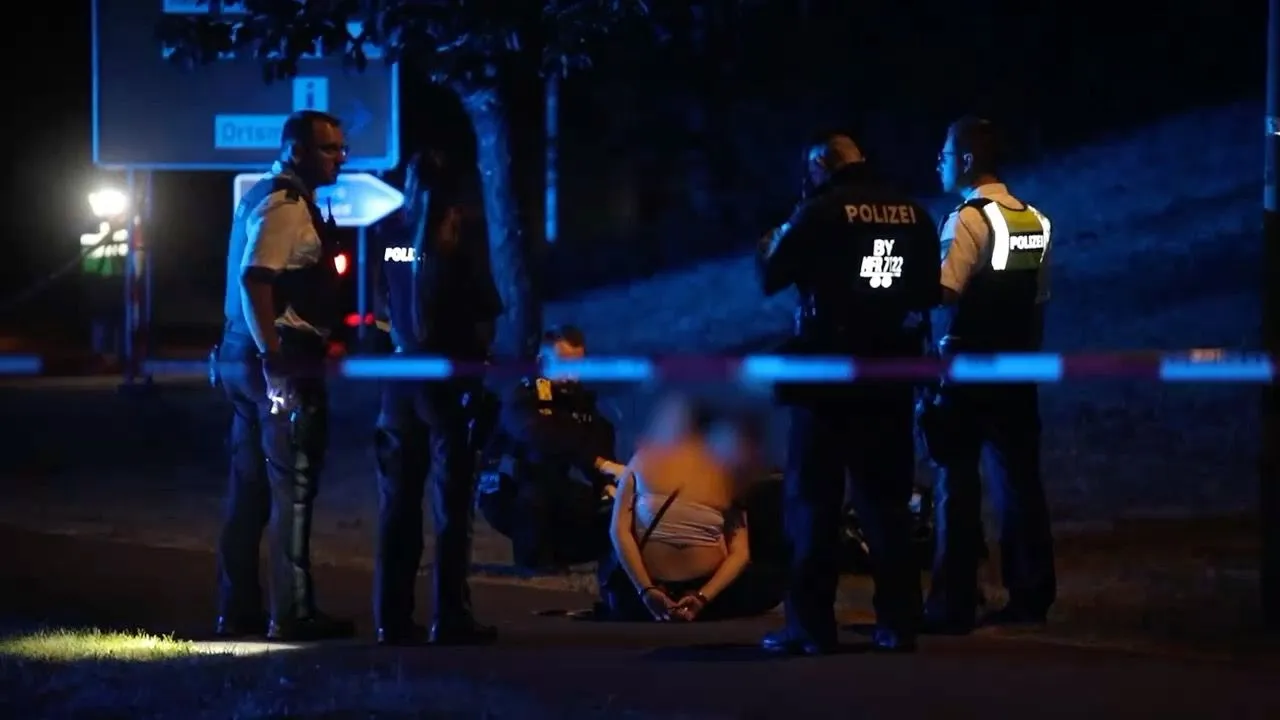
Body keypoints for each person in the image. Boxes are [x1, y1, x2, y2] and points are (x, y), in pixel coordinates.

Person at [755, 132, 940, 654]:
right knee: (886, 503)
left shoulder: (819, 212)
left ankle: (810, 627)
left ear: (821, 165)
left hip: (827, 377)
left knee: (813, 501)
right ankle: (899, 622)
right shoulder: (913, 213)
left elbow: (771, 273)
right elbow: (927, 293)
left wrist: (775, 236)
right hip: (888, 374)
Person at [213, 110, 355, 642]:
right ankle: (291, 613)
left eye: (341, 148)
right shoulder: (285, 205)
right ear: (297, 150)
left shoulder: (266, 196)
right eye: (330, 149)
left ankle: (239, 610)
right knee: (291, 487)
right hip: (278, 359)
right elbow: (255, 280)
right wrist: (275, 358)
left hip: (243, 355)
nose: (341, 158)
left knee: (249, 490)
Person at [920, 117, 1056, 634]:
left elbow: (944, 293)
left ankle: (952, 604)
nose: (938, 163)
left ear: (967, 161)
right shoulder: (1035, 221)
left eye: (944, 154)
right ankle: (1031, 595)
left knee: (956, 485)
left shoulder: (966, 221)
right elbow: (1038, 303)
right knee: (1020, 484)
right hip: (1018, 370)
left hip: (966, 371)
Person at [372, 151, 505, 646]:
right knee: (451, 506)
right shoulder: (460, 241)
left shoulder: (391, 237)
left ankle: (391, 617)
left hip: (399, 384)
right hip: (448, 384)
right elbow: (485, 318)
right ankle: (449, 615)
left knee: (398, 505)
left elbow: (383, 314)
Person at [605, 395, 786, 623]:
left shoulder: (725, 474)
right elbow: (619, 531)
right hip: (658, 586)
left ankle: (677, 604)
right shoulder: (645, 461)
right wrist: (648, 590)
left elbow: (740, 552)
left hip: (702, 587)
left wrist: (701, 596)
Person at [478, 325, 623, 574]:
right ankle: (534, 560)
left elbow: (596, 437)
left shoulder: (576, 398)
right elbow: (544, 438)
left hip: (554, 486)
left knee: (610, 509)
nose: (571, 375)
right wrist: (600, 463)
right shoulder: (522, 395)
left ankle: (564, 555)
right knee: (538, 486)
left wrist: (607, 483)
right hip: (507, 489)